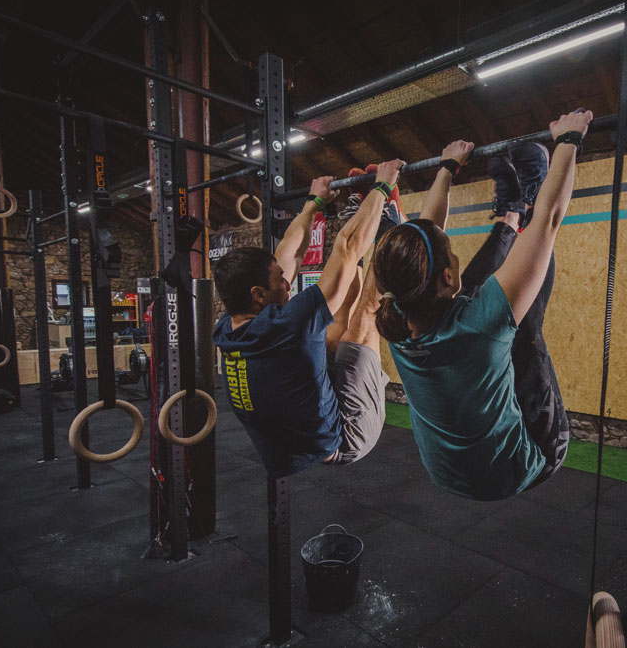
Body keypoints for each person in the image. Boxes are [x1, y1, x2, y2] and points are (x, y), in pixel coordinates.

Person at [372, 109, 593, 501]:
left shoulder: (397, 321)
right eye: (452, 256)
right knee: (519, 324)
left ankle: (511, 214)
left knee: (482, 304)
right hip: (532, 459)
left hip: (448, 474)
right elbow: (548, 222)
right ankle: (525, 203)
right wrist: (568, 141)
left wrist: (447, 169)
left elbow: (425, 235)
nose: (456, 259)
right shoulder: (480, 328)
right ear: (446, 277)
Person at [212, 159, 405, 479]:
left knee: (334, 325)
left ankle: (361, 213)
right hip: (347, 436)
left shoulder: (229, 327)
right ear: (258, 294)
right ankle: (389, 227)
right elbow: (347, 248)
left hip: (307, 426)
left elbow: (288, 255)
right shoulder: (286, 326)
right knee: (362, 319)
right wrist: (383, 187)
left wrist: (313, 203)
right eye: (280, 281)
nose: (288, 283)